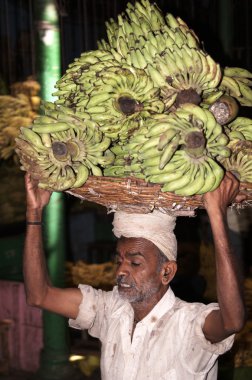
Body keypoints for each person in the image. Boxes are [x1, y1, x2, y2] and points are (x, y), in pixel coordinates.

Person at [23, 171, 247, 380]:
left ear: (166, 272)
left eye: (135, 262)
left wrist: (217, 215)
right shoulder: (110, 310)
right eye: (119, 260)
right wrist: (34, 212)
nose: (121, 270)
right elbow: (39, 295)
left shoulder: (187, 324)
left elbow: (232, 321)